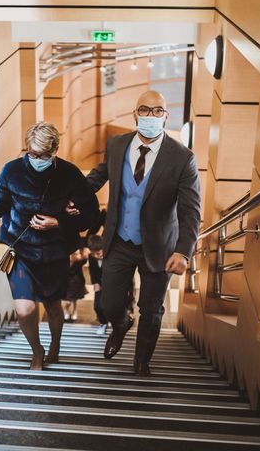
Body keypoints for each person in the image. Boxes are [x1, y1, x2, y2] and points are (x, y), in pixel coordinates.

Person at [68, 90, 201, 376]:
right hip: (120, 240)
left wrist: (183, 251)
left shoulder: (182, 158)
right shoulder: (117, 145)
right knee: (110, 301)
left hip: (160, 247)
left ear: (166, 116)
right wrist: (73, 197)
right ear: (135, 115)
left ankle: (142, 362)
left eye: (157, 111)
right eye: (145, 110)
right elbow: (99, 175)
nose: (150, 116)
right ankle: (120, 324)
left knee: (151, 309)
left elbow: (191, 212)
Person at [0, 121, 99, 371]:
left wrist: (57, 222)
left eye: (44, 155)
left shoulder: (70, 175)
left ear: (55, 151)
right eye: (32, 153)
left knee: (53, 306)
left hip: (55, 252)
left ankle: (56, 345)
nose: (37, 159)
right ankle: (36, 350)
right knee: (24, 308)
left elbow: (91, 215)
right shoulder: (12, 172)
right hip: (20, 251)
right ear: (27, 148)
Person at [86, 234, 108, 336]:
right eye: (93, 254)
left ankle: (114, 322)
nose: (96, 256)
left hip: (111, 283)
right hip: (99, 283)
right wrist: (95, 282)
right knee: (97, 306)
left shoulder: (110, 255)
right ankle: (103, 323)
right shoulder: (91, 257)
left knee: (113, 306)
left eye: (98, 253)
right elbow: (92, 270)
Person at [63, 248, 89, 321]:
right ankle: (66, 309)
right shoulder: (65, 261)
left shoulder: (78, 262)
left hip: (77, 283)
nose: (78, 256)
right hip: (67, 284)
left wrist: (85, 255)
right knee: (68, 301)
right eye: (76, 254)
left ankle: (74, 311)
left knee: (75, 300)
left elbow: (84, 260)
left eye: (78, 254)